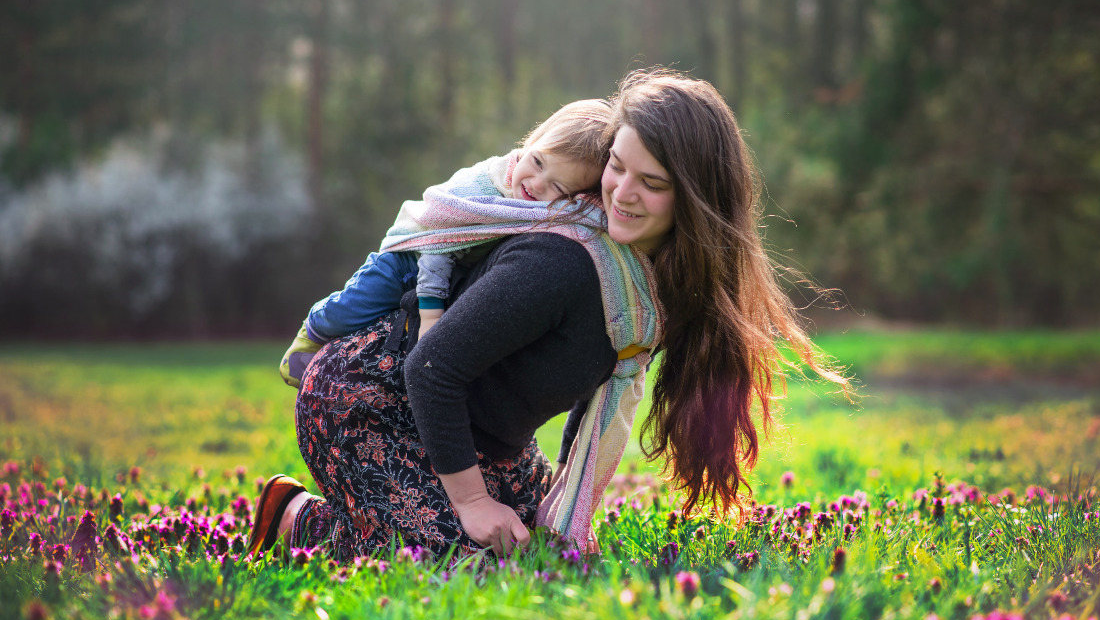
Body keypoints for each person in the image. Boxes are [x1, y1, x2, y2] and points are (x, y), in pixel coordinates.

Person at [250, 69, 845, 562]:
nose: (621, 192)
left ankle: (368, 521)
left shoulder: (651, 285)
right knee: (468, 564)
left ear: (697, 198)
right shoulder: (566, 259)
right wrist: (473, 504)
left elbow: (598, 392)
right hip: (372, 399)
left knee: (542, 553)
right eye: (616, 166)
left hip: (485, 437)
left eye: (652, 183)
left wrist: (559, 497)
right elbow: (431, 367)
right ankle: (295, 519)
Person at [277, 99, 613, 388]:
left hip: (455, 271)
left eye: (557, 186)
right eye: (537, 162)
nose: (537, 183)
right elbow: (436, 253)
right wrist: (431, 319)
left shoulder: (540, 209)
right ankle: (311, 335)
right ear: (530, 143)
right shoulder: (483, 188)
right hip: (408, 259)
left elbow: (584, 216)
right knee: (353, 309)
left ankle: (335, 359)